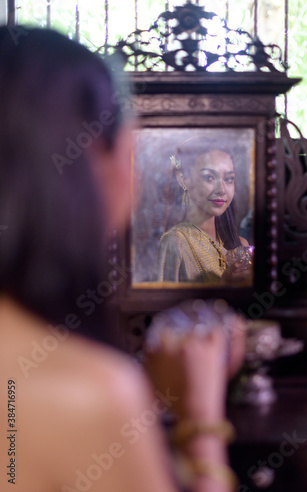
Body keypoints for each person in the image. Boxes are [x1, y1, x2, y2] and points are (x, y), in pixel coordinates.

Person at [0, 27, 245, 492]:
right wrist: (201, 420)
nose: (219, 189)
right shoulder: (91, 394)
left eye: (228, 178)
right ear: (95, 159)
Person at [153, 137, 251, 284]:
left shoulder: (241, 245)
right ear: (183, 179)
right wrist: (224, 285)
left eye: (229, 179)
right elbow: (161, 305)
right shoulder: (176, 242)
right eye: (209, 177)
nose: (222, 190)